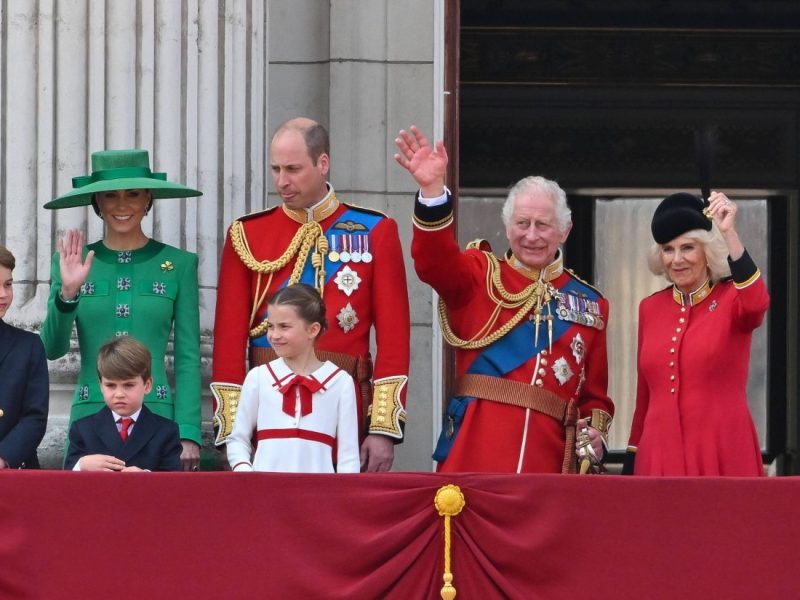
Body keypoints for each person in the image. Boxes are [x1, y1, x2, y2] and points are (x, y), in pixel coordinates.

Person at [394, 126, 614, 473]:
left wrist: (593, 441)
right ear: (507, 225)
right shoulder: (479, 274)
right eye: (521, 223)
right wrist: (433, 192)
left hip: (549, 463)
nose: (531, 235)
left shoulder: (590, 304)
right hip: (475, 453)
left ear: (565, 230)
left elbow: (595, 397)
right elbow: (433, 262)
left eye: (542, 225)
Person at [212, 117, 410, 472]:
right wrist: (231, 431)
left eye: (293, 169)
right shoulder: (247, 234)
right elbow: (228, 341)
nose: (281, 181)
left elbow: (394, 340)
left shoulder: (375, 231)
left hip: (345, 410)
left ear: (323, 163)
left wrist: (382, 428)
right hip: (267, 410)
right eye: (275, 169)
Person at [41, 149, 203, 471]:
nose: (122, 205)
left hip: (155, 417)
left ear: (148, 199)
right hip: (90, 411)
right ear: (97, 203)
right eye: (110, 195)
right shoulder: (71, 262)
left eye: (133, 194)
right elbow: (51, 348)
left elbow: (187, 355)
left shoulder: (179, 265)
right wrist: (68, 291)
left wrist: (188, 431)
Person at [625, 191, 769, 476]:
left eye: (688, 248)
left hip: (721, 450)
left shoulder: (731, 299)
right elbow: (645, 396)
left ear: (707, 251)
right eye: (668, 249)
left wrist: (728, 232)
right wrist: (633, 457)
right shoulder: (650, 308)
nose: (677, 259)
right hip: (659, 457)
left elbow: (757, 303)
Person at [227, 284, 360, 472]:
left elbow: (349, 456)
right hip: (265, 494)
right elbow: (238, 439)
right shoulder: (258, 377)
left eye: (284, 327)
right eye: (270, 326)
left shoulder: (340, 382)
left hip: (318, 496)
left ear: (313, 330)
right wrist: (246, 473)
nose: (274, 335)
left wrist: (342, 498)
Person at [65, 336, 182, 471]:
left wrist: (148, 479)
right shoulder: (83, 429)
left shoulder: (166, 431)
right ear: (101, 386)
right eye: (111, 385)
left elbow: (172, 483)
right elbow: (67, 482)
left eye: (128, 385)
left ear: (147, 385)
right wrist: (81, 465)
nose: (119, 394)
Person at [0, 245, 49, 469]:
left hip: (13, 470)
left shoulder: (29, 346)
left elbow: (34, 417)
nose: (3, 294)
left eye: (8, 285)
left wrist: (3, 457)